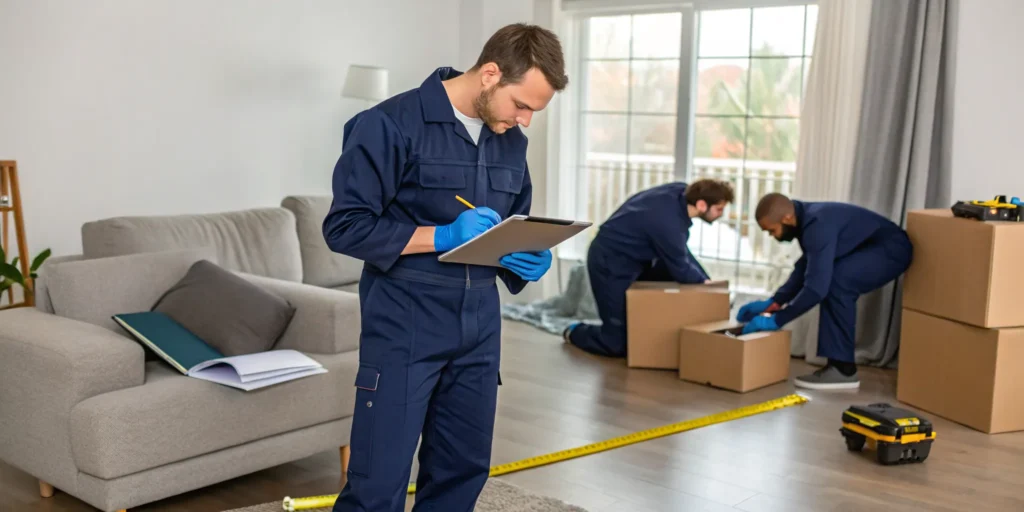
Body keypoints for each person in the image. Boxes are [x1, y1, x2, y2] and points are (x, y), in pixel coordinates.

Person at [322, 24, 568, 512]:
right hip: (404, 324)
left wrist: (526, 256)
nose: (525, 121)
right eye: (521, 105)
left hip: (479, 329)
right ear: (490, 74)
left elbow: (511, 222)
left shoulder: (509, 141)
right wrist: (443, 236)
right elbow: (345, 227)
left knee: (462, 473)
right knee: (377, 482)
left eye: (534, 112)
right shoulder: (388, 124)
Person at [737, 193, 913, 390]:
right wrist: (775, 301)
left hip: (892, 249)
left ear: (786, 218)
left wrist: (777, 319)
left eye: (772, 230)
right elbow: (806, 268)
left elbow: (815, 289)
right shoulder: (807, 221)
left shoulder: (817, 224)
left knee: (837, 283)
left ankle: (843, 370)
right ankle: (839, 367)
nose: (772, 236)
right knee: (832, 278)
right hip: (872, 248)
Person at [563, 179, 735, 358]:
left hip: (639, 257)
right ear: (701, 205)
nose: (721, 214)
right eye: (719, 209)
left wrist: (706, 282)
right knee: (616, 343)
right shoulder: (668, 224)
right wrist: (703, 283)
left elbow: (680, 252)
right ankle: (574, 331)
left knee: (692, 279)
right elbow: (680, 266)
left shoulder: (681, 191)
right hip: (610, 262)